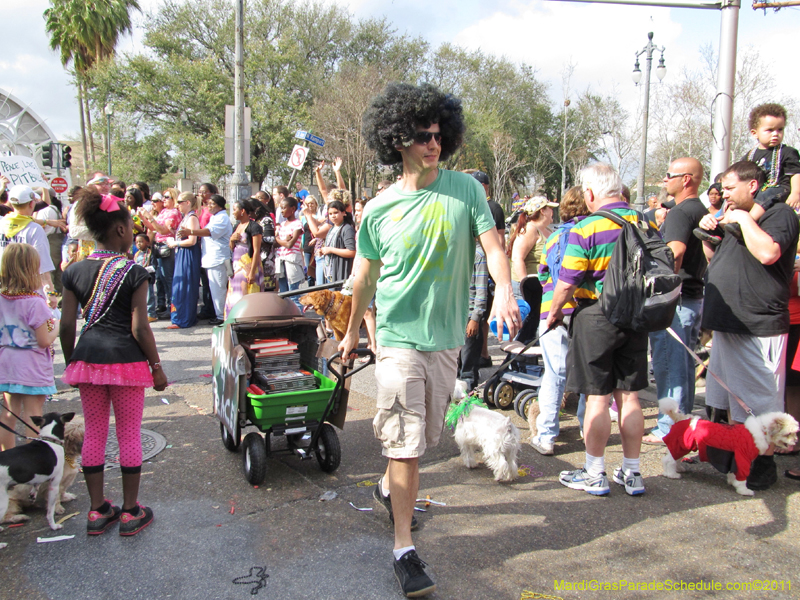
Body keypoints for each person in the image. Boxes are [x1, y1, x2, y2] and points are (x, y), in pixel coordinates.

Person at [339, 82, 519, 598]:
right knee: (406, 445)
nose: (432, 144)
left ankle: (387, 490)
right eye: (422, 136)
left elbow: (493, 247)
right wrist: (353, 332)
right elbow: (365, 281)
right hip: (395, 341)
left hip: (445, 344)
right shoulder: (376, 210)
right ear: (397, 140)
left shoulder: (467, 190)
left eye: (439, 135)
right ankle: (403, 550)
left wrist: (504, 290)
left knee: (426, 439)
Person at [59, 188, 167, 536]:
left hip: (87, 361)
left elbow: (66, 325)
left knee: (94, 432)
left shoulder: (74, 271)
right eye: (130, 228)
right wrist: (156, 366)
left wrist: (72, 361)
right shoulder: (134, 271)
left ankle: (96, 511)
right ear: (120, 230)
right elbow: (139, 327)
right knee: (128, 434)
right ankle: (131, 511)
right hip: (127, 364)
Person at [547, 163, 650, 498]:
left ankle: (594, 472)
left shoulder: (588, 227)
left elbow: (568, 280)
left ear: (589, 193)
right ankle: (632, 473)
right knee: (630, 397)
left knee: (597, 398)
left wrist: (554, 313)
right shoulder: (643, 221)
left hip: (596, 317)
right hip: (635, 316)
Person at [697, 160, 799, 490]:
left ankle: (761, 465)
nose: (722, 194)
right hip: (729, 324)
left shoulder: (779, 215)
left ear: (752, 186)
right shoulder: (736, 218)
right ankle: (734, 459)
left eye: (728, 188)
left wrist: (741, 219)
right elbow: (717, 262)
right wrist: (709, 232)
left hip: (758, 325)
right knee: (729, 399)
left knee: (760, 400)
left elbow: (768, 253)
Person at [643, 158, 709, 444]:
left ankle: (669, 429)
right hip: (693, 297)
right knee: (684, 367)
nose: (664, 180)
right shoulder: (700, 210)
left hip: (677, 300)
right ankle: (684, 427)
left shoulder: (681, 212)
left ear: (686, 180)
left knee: (670, 366)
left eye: (669, 175)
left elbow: (675, 254)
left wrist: (659, 288)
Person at [529, 186, 590, 456]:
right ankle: (588, 429)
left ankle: (547, 436)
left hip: (551, 310)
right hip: (584, 310)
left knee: (554, 373)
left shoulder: (554, 238)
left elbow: (543, 274)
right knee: (588, 374)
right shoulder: (592, 232)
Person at [0, 243, 59, 451]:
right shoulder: (35, 303)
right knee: (32, 416)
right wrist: (56, 327)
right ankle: (32, 462)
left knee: (9, 414)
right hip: (31, 362)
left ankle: (5, 460)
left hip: (7, 359)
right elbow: (43, 340)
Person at [0, 185, 58, 308]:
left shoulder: (1, 224)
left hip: (3, 287)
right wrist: (50, 293)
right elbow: (42, 264)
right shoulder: (34, 229)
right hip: (27, 289)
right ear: (32, 204)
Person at [509, 196, 557, 342]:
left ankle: (524, 360)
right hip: (526, 288)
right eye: (549, 208)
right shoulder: (530, 229)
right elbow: (517, 258)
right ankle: (514, 359)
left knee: (534, 324)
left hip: (540, 287)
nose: (552, 211)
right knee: (526, 324)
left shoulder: (547, 230)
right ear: (542, 211)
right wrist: (525, 285)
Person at [179, 194, 232, 326]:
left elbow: (209, 232)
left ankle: (222, 316)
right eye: (208, 204)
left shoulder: (222, 218)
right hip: (212, 258)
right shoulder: (215, 217)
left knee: (218, 289)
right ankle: (219, 314)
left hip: (219, 258)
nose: (209, 206)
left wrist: (191, 232)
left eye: (212, 204)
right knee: (214, 289)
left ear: (220, 206)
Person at [139, 188, 181, 318]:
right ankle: (162, 305)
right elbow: (153, 228)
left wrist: (150, 217)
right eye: (163, 196)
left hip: (167, 247)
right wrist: (144, 218)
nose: (163, 199)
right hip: (158, 246)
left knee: (168, 278)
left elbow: (163, 230)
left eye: (166, 197)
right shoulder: (163, 212)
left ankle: (171, 307)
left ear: (173, 198)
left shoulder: (173, 213)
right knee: (160, 278)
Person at [167, 192, 201, 329]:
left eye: (180, 202)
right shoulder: (185, 217)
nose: (177, 205)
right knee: (180, 284)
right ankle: (180, 317)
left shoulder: (192, 218)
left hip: (188, 254)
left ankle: (184, 319)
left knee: (185, 285)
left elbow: (192, 240)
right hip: (182, 253)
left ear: (188, 202)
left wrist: (176, 243)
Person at [225, 198, 263, 316]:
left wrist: (252, 272)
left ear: (242, 211)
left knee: (246, 291)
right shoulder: (237, 225)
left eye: (235, 209)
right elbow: (232, 247)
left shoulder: (254, 227)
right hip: (236, 265)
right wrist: (232, 240)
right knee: (234, 292)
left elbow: (256, 250)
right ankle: (234, 316)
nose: (233, 212)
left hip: (249, 264)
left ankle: (248, 316)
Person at [275, 196, 305, 308]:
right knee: (283, 294)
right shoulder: (282, 225)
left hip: (291, 260)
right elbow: (276, 241)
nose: (282, 211)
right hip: (281, 259)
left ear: (292, 209)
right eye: (280, 208)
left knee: (293, 294)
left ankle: (299, 317)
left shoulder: (297, 224)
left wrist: (279, 240)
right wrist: (280, 240)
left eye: (284, 208)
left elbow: (290, 244)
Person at [196, 182, 218, 319]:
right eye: (200, 192)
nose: (201, 194)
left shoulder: (211, 212)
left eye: (204, 192)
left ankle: (211, 309)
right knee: (204, 281)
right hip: (200, 245)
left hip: (209, 246)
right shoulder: (200, 208)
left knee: (211, 281)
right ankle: (206, 306)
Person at [321, 199, 356, 283]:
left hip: (341, 271)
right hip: (330, 271)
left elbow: (352, 252)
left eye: (336, 212)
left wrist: (331, 250)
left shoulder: (347, 228)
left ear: (344, 213)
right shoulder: (332, 228)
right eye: (330, 214)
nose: (333, 216)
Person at [133, 233, 157, 323]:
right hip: (139, 278)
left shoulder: (150, 253)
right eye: (137, 242)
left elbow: (154, 267)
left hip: (148, 277)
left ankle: (151, 314)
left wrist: (143, 270)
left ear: (147, 243)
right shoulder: (137, 254)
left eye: (141, 242)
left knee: (149, 296)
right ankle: (143, 314)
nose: (138, 244)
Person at [254, 200, 276, 291]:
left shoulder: (266, 220)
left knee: (267, 291)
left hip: (266, 260)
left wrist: (254, 239)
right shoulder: (257, 220)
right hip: (259, 258)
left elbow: (270, 238)